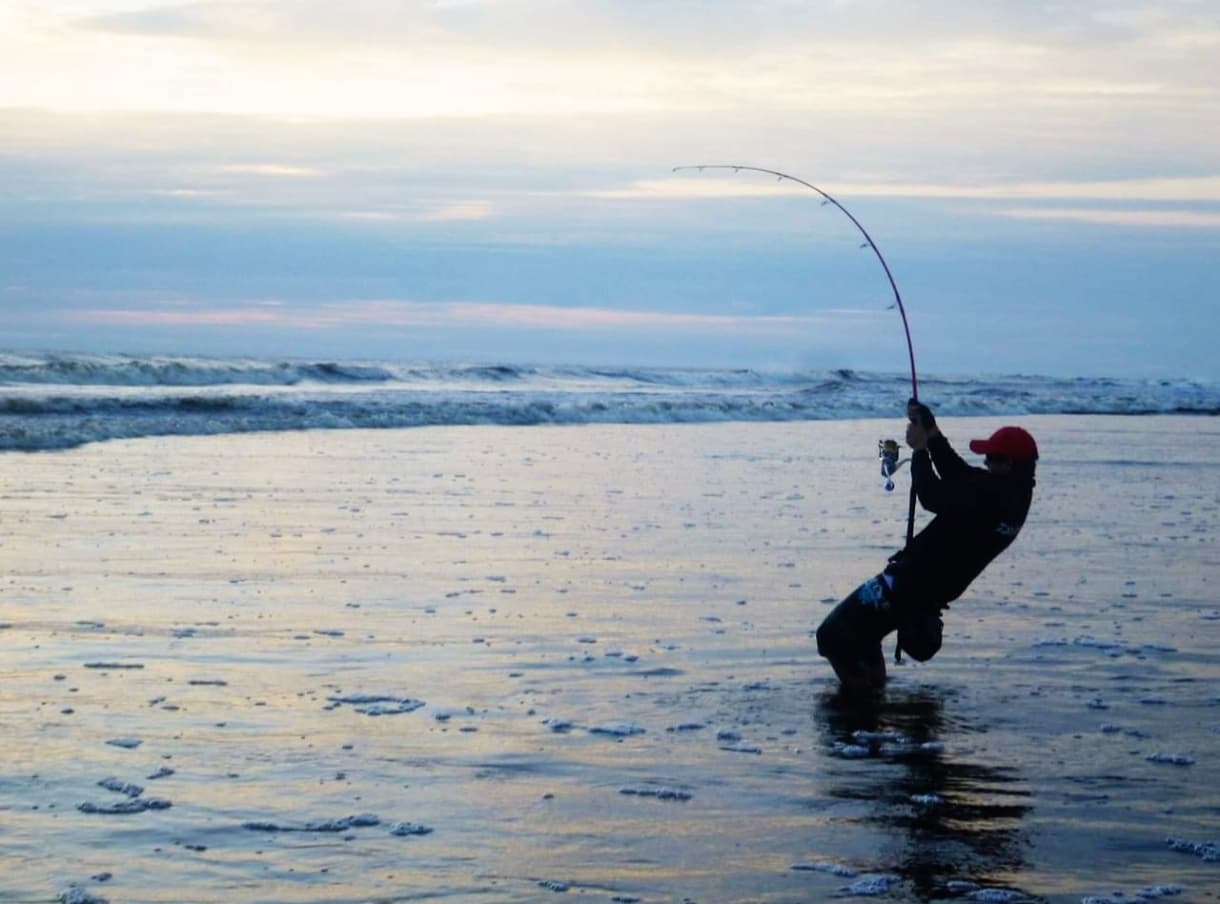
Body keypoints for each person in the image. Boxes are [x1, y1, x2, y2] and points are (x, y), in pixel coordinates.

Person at [815, 400, 1037, 691]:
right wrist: (930, 430)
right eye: (988, 458)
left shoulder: (991, 495)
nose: (987, 463)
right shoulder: (1014, 496)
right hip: (928, 589)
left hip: (911, 584)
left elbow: (932, 496)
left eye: (994, 458)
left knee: (833, 636)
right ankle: (874, 695)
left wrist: (919, 451)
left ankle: (863, 705)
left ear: (1012, 465)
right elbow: (959, 473)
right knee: (864, 635)